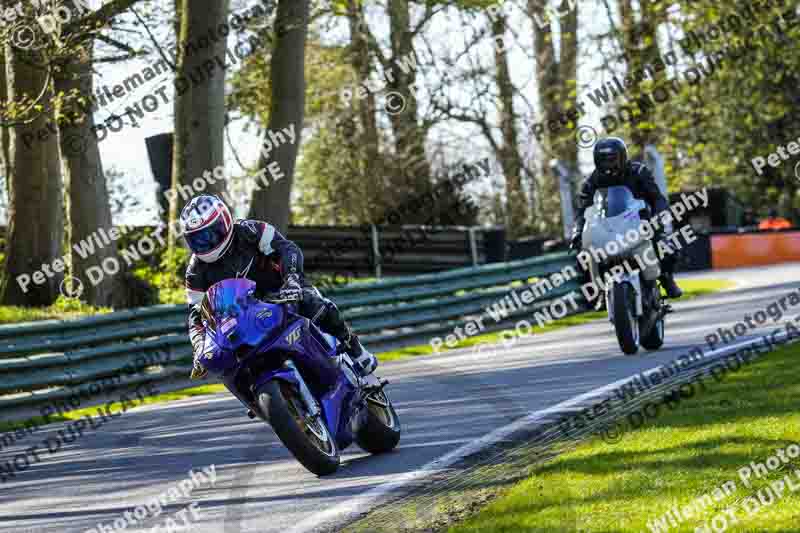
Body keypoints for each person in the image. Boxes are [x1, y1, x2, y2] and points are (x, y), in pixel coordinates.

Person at [180, 195, 378, 381]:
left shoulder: (251, 230)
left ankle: (354, 347)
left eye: (209, 234)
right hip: (243, 314)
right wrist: (199, 347)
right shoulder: (195, 271)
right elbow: (196, 314)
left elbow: (287, 249)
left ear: (224, 222)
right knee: (229, 363)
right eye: (197, 239)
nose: (205, 243)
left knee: (312, 304)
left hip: (282, 290)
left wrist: (291, 279)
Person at [569, 137, 683, 299]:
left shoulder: (638, 172)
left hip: (642, 223)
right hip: (606, 227)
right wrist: (577, 232)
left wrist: (658, 217)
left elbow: (657, 198)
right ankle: (598, 291)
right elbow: (582, 210)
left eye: (612, 159)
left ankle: (666, 279)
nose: (608, 164)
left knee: (667, 247)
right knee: (584, 257)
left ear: (622, 157)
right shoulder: (592, 180)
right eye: (603, 160)